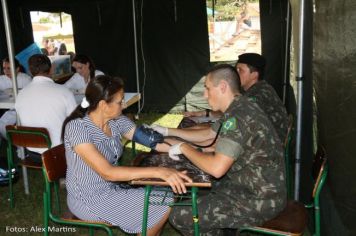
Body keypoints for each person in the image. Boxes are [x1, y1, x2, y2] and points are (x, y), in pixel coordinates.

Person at [152, 64, 286, 235]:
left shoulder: (238, 117)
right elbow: (208, 135)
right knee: (197, 191)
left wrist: (184, 147)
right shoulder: (239, 106)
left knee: (181, 215)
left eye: (207, 88)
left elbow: (216, 168)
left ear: (222, 87)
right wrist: (167, 133)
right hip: (251, 186)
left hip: (260, 199)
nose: (204, 94)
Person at [62, 75, 192, 235]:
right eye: (119, 101)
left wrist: (187, 148)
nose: (124, 105)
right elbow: (107, 172)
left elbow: (154, 142)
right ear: (103, 105)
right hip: (88, 199)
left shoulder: (117, 121)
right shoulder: (77, 128)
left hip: (111, 189)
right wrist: (160, 171)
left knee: (164, 196)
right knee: (163, 202)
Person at [15, 54, 77, 154]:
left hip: (32, 151)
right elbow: (75, 123)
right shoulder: (63, 91)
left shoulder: (20, 95)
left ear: (30, 71)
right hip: (58, 152)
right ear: (51, 68)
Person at [236, 53, 288, 142]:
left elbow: (238, 120)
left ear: (254, 75)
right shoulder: (259, 88)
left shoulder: (258, 94)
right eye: (236, 70)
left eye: (240, 70)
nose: (236, 74)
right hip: (266, 141)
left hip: (268, 147)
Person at [0, 57, 32, 138]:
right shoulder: (1, 80)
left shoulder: (26, 79)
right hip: (13, 110)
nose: (6, 71)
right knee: (1, 125)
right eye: (4, 68)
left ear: (17, 69)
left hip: (27, 110)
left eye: (9, 68)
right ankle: (17, 145)